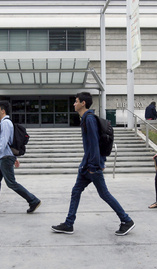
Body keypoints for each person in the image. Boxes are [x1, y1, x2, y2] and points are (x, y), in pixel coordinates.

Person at [51, 92, 135, 236]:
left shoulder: (89, 119)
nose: (74, 104)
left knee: (104, 194)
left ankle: (126, 220)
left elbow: (94, 144)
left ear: (83, 103)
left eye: (76, 101)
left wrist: (94, 166)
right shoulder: (85, 119)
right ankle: (69, 223)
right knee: (76, 191)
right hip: (87, 165)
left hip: (91, 166)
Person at [0, 101, 41, 214]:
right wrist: (14, 157)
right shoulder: (4, 123)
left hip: (5, 157)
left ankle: (33, 200)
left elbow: (4, 141)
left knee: (11, 183)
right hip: (4, 157)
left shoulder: (5, 123)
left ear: (3, 111)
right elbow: (9, 143)